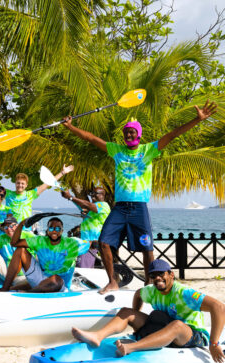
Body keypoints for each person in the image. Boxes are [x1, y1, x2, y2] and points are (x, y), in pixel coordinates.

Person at [63, 100, 217, 293]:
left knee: (147, 248)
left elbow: (173, 134)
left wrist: (197, 119)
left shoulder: (148, 150)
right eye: (126, 132)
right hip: (120, 207)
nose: (129, 134)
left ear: (139, 133)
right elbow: (92, 139)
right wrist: (71, 128)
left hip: (138, 208)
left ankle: (149, 285)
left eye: (132, 131)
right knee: (103, 242)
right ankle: (112, 282)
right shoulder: (117, 150)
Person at [72, 259, 225, 363]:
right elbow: (138, 294)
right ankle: (98, 336)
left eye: (161, 274)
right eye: (153, 275)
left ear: (171, 275)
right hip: (164, 329)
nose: (157, 278)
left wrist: (213, 343)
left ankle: (131, 347)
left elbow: (218, 307)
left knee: (177, 325)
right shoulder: (151, 290)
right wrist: (137, 319)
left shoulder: (183, 293)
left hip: (191, 335)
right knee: (127, 312)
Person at [0, 156, 74, 225]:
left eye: (22, 184)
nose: (20, 185)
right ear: (15, 183)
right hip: (10, 227)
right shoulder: (8, 193)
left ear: (26, 185)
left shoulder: (31, 194)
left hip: (25, 227)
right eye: (18, 183)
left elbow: (47, 183)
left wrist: (62, 172)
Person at [1, 217, 90, 292]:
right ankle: (5, 288)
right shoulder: (40, 241)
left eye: (58, 228)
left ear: (62, 231)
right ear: (47, 230)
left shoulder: (72, 243)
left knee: (56, 278)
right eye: (51, 228)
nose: (54, 231)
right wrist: (21, 224)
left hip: (60, 285)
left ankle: (28, 293)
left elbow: (90, 243)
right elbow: (14, 243)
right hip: (41, 279)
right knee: (20, 250)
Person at [61, 187, 110, 268]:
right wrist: (69, 197)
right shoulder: (91, 210)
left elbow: (86, 204)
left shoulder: (103, 205)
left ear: (102, 195)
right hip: (86, 244)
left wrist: (70, 197)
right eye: (91, 194)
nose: (92, 196)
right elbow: (81, 205)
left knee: (84, 269)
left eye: (95, 193)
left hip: (92, 244)